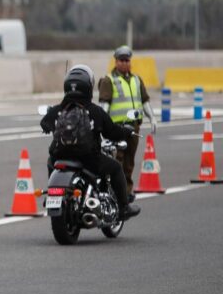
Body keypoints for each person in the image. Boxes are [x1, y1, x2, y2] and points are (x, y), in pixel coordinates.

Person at [40, 64, 140, 221]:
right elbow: (113, 132)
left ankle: (53, 194)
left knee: (49, 162)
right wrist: (126, 131)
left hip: (59, 156)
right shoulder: (95, 111)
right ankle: (124, 208)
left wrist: (51, 125)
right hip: (87, 159)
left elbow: (44, 123)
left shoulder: (58, 110)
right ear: (88, 87)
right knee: (115, 168)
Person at [98, 45, 157, 200]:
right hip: (116, 127)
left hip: (134, 127)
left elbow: (144, 100)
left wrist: (152, 117)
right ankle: (115, 193)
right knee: (117, 160)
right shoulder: (109, 80)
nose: (125, 63)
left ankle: (126, 192)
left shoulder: (137, 80)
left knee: (129, 162)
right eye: (121, 60)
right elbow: (104, 105)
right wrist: (100, 125)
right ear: (115, 61)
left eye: (127, 60)